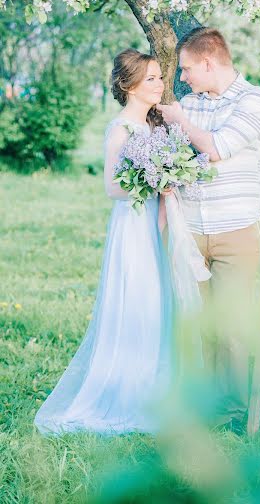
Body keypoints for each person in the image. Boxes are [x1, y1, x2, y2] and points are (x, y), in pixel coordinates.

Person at [34, 49, 177, 436]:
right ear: (127, 85)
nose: (160, 85)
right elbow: (113, 187)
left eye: (160, 78)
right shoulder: (120, 129)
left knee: (157, 302)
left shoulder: (155, 126)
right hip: (133, 224)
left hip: (156, 222)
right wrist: (155, 177)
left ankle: (155, 388)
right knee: (137, 300)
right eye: (152, 79)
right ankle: (126, 392)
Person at [157, 28, 260, 432]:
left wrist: (180, 121)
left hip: (234, 232)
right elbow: (176, 156)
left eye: (187, 68)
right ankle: (210, 405)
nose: (183, 77)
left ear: (208, 62)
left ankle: (237, 411)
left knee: (231, 328)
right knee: (202, 323)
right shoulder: (190, 103)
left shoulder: (255, 100)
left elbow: (216, 148)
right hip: (190, 231)